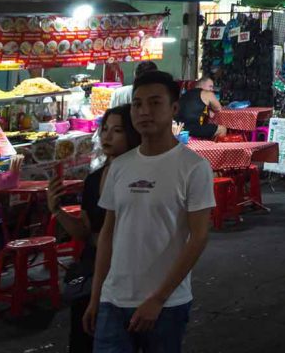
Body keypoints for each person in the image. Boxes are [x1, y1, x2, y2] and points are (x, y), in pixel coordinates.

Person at [83, 71, 215, 351]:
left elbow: (199, 237)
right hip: (113, 300)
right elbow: (108, 233)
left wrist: (159, 298)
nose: (144, 112)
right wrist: (96, 297)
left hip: (166, 304)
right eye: (137, 104)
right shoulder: (120, 166)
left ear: (174, 109)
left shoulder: (193, 167)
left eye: (155, 103)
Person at [48, 106, 141, 353]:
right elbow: (85, 233)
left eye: (117, 130)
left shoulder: (142, 182)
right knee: (83, 340)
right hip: (93, 272)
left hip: (131, 274)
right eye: (105, 130)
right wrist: (56, 210)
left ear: (133, 135)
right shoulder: (93, 180)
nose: (107, 136)